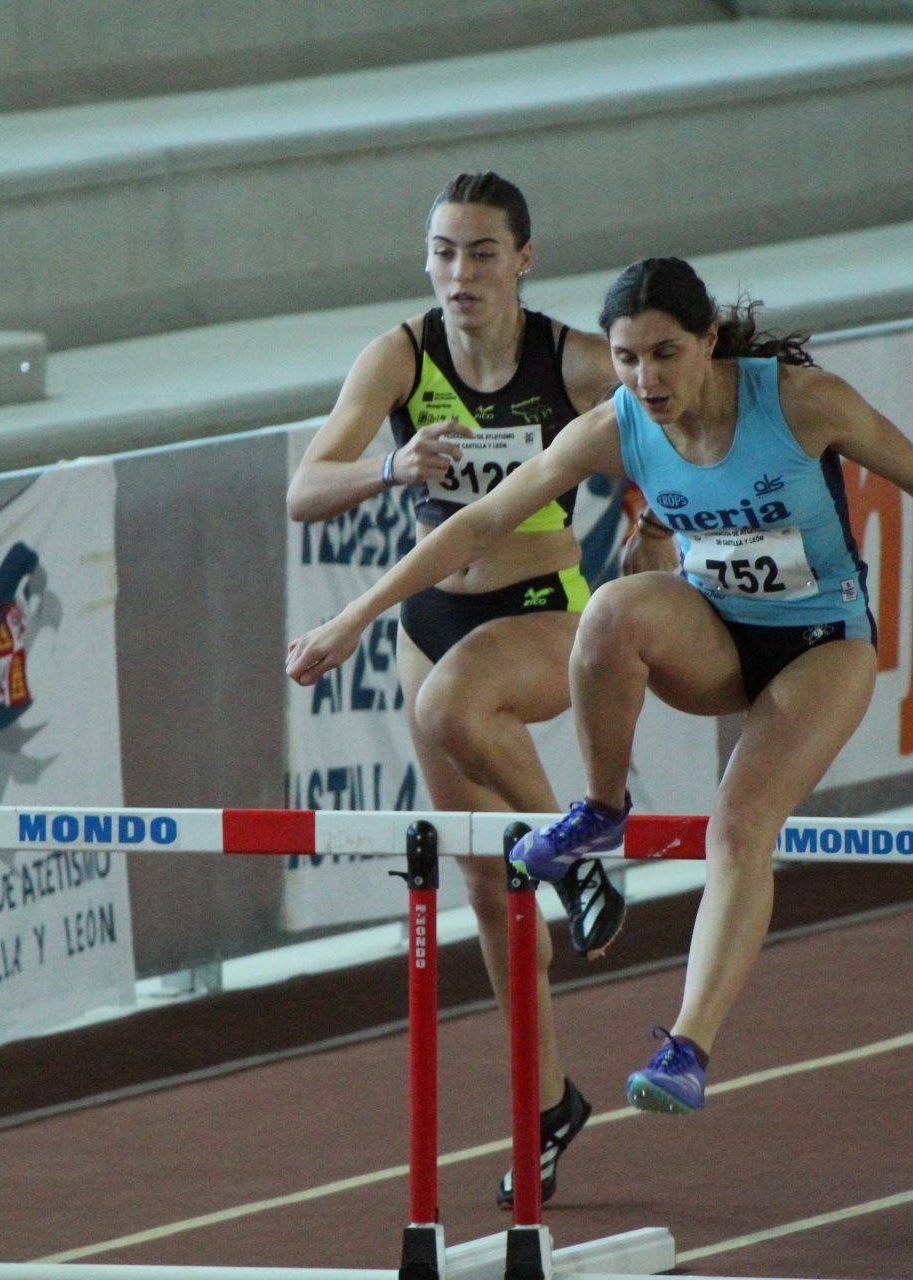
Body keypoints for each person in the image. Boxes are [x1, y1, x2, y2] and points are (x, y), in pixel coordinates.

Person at [288, 255, 913, 1117]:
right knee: (613, 610)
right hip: (716, 639)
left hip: (821, 645)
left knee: (738, 825)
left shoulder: (799, 401)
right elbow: (481, 520)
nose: (644, 379)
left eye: (664, 355)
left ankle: (687, 1047)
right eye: (626, 359)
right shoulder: (621, 424)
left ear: (708, 342)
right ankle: (600, 809)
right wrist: (354, 617)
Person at [285, 172, 627, 1205]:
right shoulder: (400, 355)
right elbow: (305, 489)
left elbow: (659, 434)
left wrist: (652, 531)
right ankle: (547, 1103)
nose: (458, 272)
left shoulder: (567, 359)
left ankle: (578, 850)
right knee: (485, 885)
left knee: (453, 708)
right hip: (435, 618)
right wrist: (393, 472)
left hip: (546, 608)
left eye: (481, 252)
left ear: (524, 257)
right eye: (442, 251)